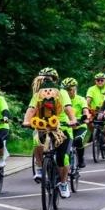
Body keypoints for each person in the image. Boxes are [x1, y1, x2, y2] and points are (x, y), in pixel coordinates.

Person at [23, 68, 76, 196]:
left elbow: (67, 107)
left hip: (62, 128)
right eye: (43, 78)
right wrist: (26, 121)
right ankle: (40, 168)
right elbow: (31, 109)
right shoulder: (38, 94)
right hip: (43, 126)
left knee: (62, 158)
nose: (45, 81)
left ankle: (63, 183)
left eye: (48, 78)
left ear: (55, 80)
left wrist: (73, 120)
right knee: (36, 141)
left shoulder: (62, 92)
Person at [62, 77, 90, 168]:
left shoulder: (81, 99)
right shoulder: (61, 100)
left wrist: (86, 117)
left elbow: (85, 110)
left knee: (78, 141)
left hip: (79, 125)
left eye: (69, 89)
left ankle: (81, 159)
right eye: (65, 90)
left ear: (75, 89)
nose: (67, 92)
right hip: (66, 126)